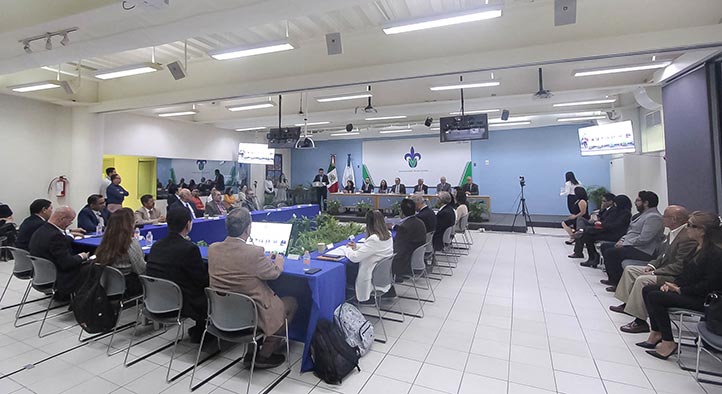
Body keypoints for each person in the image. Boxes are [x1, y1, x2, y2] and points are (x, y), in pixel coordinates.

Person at [208, 208, 296, 368]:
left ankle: (250, 352)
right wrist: (279, 261)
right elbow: (274, 273)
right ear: (248, 229)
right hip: (252, 316)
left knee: (243, 297)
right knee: (291, 303)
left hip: (221, 316)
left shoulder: (213, 249)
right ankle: (264, 355)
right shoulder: (254, 252)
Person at [639, 211, 722, 359]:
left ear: (702, 230)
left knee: (655, 297)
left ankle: (668, 342)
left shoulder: (715, 254)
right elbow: (685, 273)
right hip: (690, 291)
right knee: (648, 290)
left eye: (690, 225)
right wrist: (672, 284)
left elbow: (709, 284)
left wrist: (680, 289)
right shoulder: (697, 248)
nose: (687, 228)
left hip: (704, 299)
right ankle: (657, 333)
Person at [611, 205, 697, 333]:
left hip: (672, 275)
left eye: (665, 216)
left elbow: (679, 266)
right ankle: (627, 304)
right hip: (663, 268)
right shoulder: (674, 232)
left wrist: (655, 271)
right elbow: (662, 255)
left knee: (642, 280)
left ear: (674, 219)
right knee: (630, 269)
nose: (662, 219)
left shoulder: (686, 238)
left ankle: (639, 320)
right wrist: (651, 265)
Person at [146, 208, 209, 343]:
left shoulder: (156, 245)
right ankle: (204, 330)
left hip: (155, 299)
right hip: (181, 302)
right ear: (188, 224)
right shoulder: (189, 249)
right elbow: (201, 281)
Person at [600, 191, 665, 290]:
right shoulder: (642, 215)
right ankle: (613, 279)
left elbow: (644, 238)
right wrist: (622, 240)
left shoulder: (654, 217)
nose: (635, 203)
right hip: (633, 245)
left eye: (638, 200)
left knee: (611, 253)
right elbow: (630, 232)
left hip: (644, 250)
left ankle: (618, 284)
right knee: (605, 247)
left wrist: (625, 243)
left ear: (646, 203)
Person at [29, 207, 89, 300]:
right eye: (70, 221)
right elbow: (67, 263)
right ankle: (86, 300)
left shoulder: (41, 230)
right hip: (58, 278)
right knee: (91, 267)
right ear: (62, 219)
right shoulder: (56, 236)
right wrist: (82, 256)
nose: (70, 224)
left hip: (40, 276)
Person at [343, 210, 394, 302]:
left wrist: (347, 249)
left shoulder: (374, 239)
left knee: (347, 270)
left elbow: (354, 258)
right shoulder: (388, 234)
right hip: (382, 277)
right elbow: (374, 249)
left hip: (371, 277)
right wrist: (357, 246)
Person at [95, 209, 146, 297]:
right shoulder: (130, 243)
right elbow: (140, 269)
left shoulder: (106, 241)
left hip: (108, 284)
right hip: (128, 285)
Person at [572, 194, 631, 262]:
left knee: (587, 235)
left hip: (615, 234)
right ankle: (592, 257)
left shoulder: (625, 214)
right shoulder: (618, 211)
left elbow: (615, 225)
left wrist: (602, 224)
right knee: (587, 233)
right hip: (609, 230)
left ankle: (593, 257)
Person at [391, 199, 427, 278]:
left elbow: (398, 252)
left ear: (402, 212)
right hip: (417, 259)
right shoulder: (420, 222)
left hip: (406, 263)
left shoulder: (405, 227)